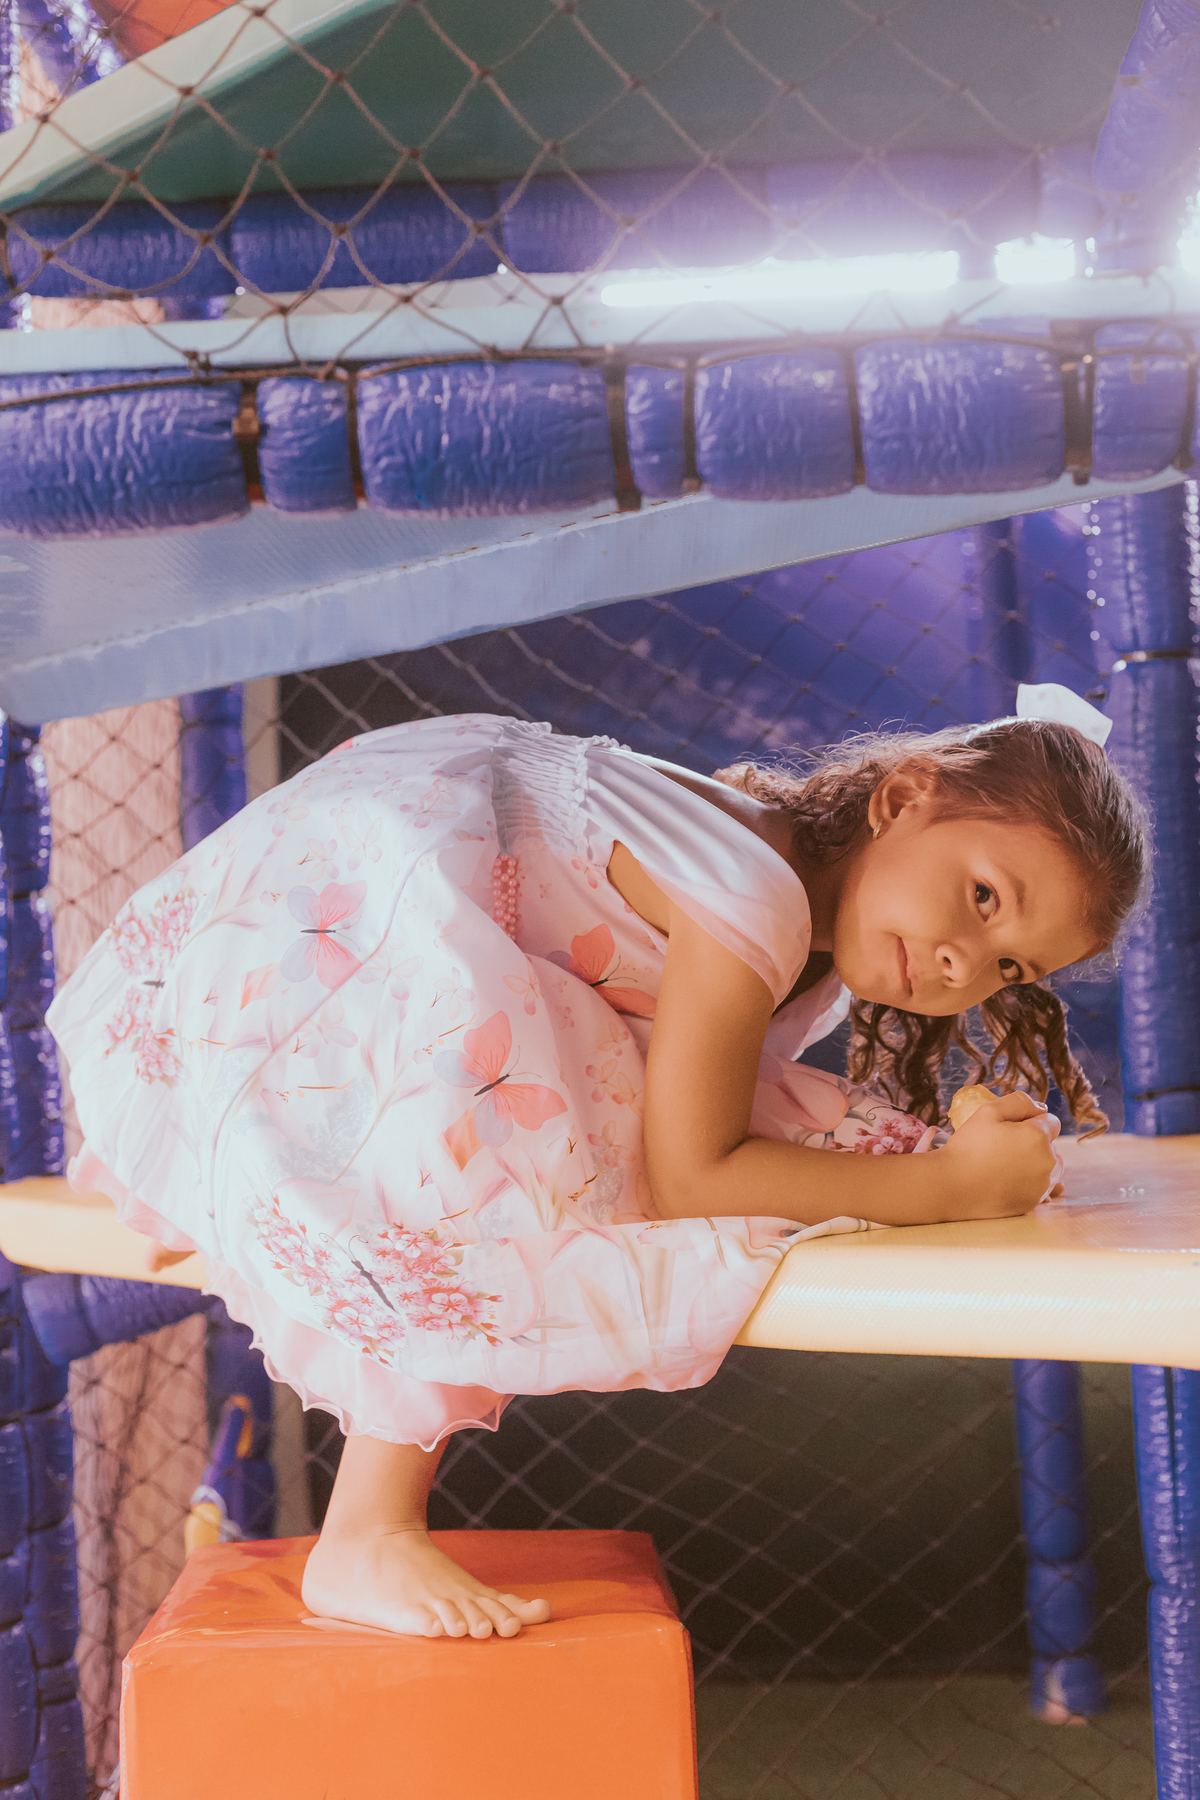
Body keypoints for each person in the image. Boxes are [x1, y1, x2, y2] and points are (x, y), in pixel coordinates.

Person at [46, 685, 1148, 1645]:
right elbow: (696, 1176)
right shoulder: (756, 893)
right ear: (904, 797)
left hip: (321, 908)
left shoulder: (795, 912)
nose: (963, 962)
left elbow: (694, 1102)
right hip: (348, 906)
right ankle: (365, 1531)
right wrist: (946, 1186)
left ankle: (223, 1189)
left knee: (596, 1093)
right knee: (520, 1124)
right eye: (983, 896)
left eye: (1010, 967)